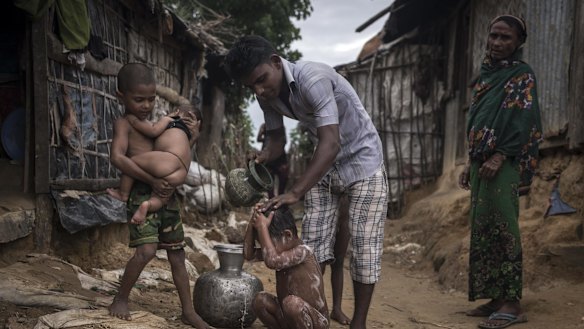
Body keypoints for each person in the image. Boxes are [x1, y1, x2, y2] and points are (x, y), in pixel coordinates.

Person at [225, 35, 388, 329]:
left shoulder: (312, 78)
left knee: (364, 247)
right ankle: (310, 315)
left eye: (262, 80)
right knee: (314, 243)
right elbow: (277, 140)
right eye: (252, 87)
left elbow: (331, 142)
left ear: (276, 62)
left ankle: (359, 323)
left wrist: (296, 191)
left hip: (363, 159)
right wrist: (263, 155)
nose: (259, 90)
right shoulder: (267, 95)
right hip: (325, 163)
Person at [107, 63, 212, 329]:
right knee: (146, 251)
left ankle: (188, 312)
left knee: (177, 254)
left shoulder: (156, 124)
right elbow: (118, 157)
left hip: (166, 195)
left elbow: (174, 155)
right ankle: (120, 299)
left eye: (151, 99)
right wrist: (152, 179)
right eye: (138, 99)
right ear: (122, 96)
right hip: (142, 192)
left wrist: (193, 137)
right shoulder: (125, 123)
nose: (146, 105)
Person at [458, 15, 542, 329]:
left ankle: (513, 304)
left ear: (518, 43)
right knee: (484, 228)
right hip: (481, 162)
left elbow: (523, 120)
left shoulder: (522, 76)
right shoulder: (487, 74)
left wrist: (500, 155)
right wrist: (471, 160)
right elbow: (480, 119)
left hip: (503, 164)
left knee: (504, 226)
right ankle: (495, 296)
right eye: (494, 35)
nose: (497, 43)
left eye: (505, 38)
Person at [107, 103, 201, 223]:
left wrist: (134, 121)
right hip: (182, 171)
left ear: (176, 112)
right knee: (161, 198)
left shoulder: (169, 121)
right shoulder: (186, 137)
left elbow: (153, 131)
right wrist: (193, 138)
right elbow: (182, 152)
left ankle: (123, 194)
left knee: (131, 162)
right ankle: (147, 206)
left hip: (169, 160)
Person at [243, 203, 329, 329]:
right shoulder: (279, 251)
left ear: (287, 235)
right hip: (289, 318)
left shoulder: (304, 251)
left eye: (269, 243)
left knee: (291, 304)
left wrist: (262, 227)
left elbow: (272, 261)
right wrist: (252, 223)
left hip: (315, 322)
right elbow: (248, 254)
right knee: (260, 300)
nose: (267, 248)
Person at [256, 123, 289, 198]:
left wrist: (273, 142)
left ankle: (280, 203)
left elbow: (285, 141)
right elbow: (258, 139)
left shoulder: (281, 127)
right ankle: (272, 203)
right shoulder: (264, 126)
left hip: (279, 158)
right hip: (269, 158)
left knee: (282, 181)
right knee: (269, 183)